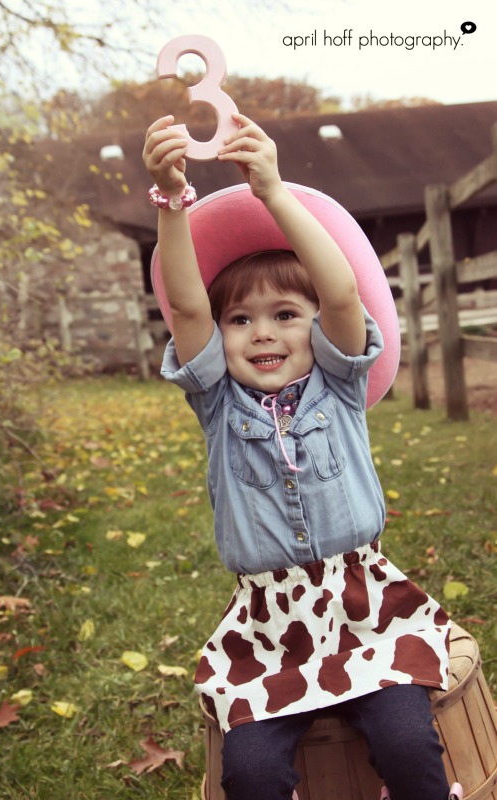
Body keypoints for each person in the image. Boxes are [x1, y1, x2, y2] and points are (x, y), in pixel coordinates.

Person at [143, 113, 460, 800]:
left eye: (285, 314)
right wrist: (171, 202)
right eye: (241, 320)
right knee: (251, 773)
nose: (262, 333)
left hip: (366, 614)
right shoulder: (219, 404)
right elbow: (187, 311)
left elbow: (341, 291)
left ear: (315, 327)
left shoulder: (338, 385)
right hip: (267, 632)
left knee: (407, 745)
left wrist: (273, 190)